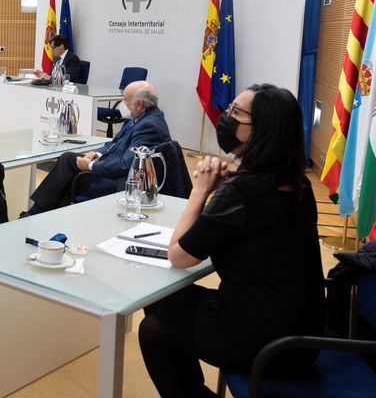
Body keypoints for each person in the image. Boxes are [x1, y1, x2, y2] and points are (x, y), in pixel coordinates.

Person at [139, 84, 325, 397]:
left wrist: (200, 190)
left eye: (236, 113)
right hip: (304, 336)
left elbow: (179, 255)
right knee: (155, 330)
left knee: (156, 300)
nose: (225, 117)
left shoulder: (242, 193)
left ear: (262, 130)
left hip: (260, 339)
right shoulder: (299, 186)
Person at [25, 80, 171, 214]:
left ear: (138, 104)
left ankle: (33, 215)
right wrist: (96, 154)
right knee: (67, 160)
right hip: (109, 165)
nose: (122, 103)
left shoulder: (149, 126)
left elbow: (126, 165)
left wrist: (91, 166)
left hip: (118, 182)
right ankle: (38, 215)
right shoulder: (139, 117)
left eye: (125, 100)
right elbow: (113, 144)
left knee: (64, 181)